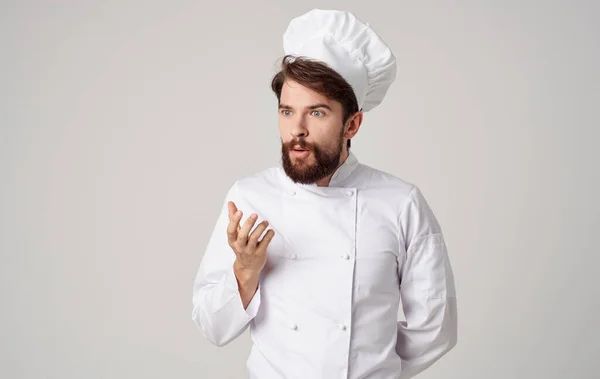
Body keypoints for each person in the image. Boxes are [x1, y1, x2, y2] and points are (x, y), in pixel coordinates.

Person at [192, 9, 457, 379]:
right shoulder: (249, 197)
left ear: (352, 123)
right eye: (287, 111)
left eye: (316, 113)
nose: (296, 130)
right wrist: (244, 272)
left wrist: (371, 367)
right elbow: (212, 326)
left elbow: (436, 328)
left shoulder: (400, 204)